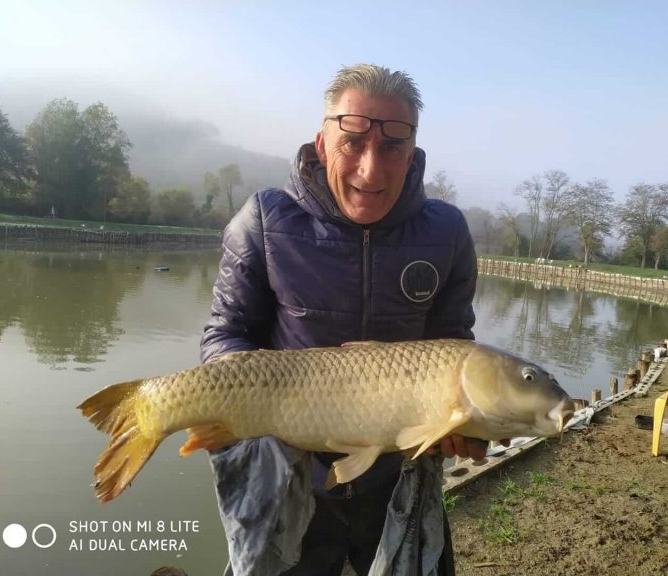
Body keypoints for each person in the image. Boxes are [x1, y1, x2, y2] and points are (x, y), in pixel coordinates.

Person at [201, 63, 486, 575]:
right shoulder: (264, 219)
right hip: (290, 476)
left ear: (413, 152)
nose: (370, 171)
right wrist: (247, 397)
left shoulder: (446, 232)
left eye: (391, 147)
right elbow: (228, 332)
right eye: (352, 143)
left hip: (399, 476)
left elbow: (453, 349)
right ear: (322, 141)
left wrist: (465, 422)